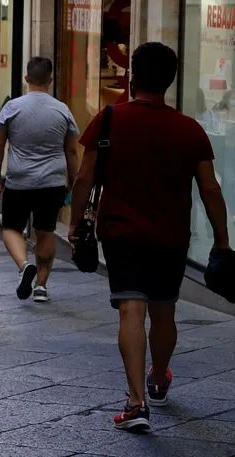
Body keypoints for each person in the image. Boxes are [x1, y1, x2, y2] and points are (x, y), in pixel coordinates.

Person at [69, 43, 230, 432]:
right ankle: (159, 378)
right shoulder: (189, 130)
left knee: (130, 309)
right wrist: (222, 239)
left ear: (131, 76)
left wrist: (76, 224)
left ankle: (137, 402)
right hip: (171, 236)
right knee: (163, 311)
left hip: (121, 232)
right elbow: (210, 189)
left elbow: (84, 177)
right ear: (172, 80)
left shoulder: (107, 120)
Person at [0, 57, 79, 303]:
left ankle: (23, 265)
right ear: (50, 80)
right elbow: (71, 150)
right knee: (46, 230)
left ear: (26, 78)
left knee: (10, 228)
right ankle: (41, 286)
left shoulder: (12, 108)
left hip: (20, 180)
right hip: (52, 181)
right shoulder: (62, 110)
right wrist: (74, 178)